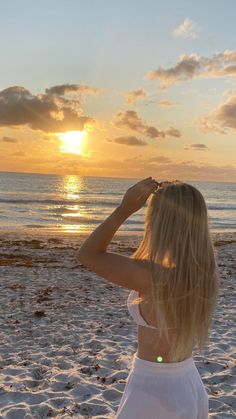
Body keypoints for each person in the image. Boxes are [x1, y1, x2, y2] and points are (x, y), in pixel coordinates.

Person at [75, 177, 219, 419]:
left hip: (154, 389)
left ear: (160, 222)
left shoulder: (154, 277)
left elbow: (88, 254)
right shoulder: (204, 274)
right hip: (187, 381)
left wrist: (125, 209)